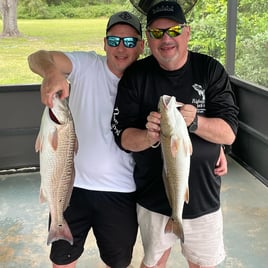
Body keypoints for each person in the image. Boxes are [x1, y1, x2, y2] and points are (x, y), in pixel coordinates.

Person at [111, 1, 239, 268]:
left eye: (173, 30)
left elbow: (228, 134)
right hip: (152, 199)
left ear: (187, 32)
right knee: (154, 262)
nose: (166, 38)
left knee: (203, 264)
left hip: (203, 198)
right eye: (157, 33)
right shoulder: (136, 76)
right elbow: (122, 137)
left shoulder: (210, 70)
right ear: (148, 37)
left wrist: (195, 124)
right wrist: (148, 137)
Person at [28, 11, 144, 268]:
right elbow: (37, 57)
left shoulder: (146, 80)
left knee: (118, 263)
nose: (121, 48)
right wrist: (51, 73)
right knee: (62, 260)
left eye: (129, 41)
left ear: (141, 46)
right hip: (70, 186)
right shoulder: (86, 65)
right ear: (104, 43)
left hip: (121, 191)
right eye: (114, 41)